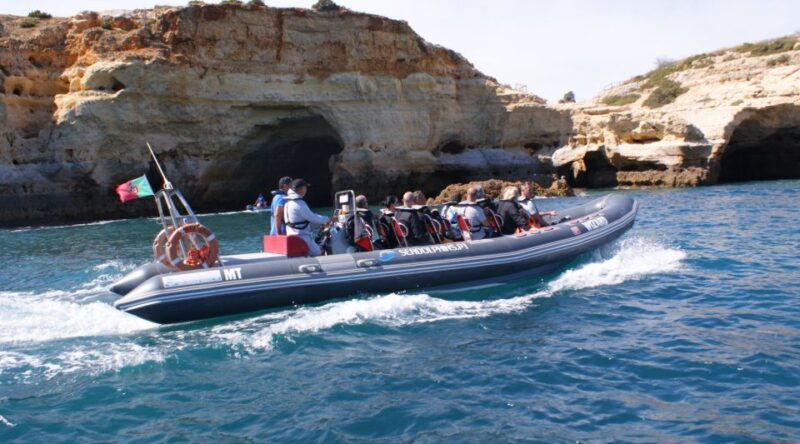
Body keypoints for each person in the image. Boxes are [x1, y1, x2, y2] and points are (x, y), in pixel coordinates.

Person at [284, 179, 331, 257]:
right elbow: (313, 217)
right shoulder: (299, 203)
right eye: (305, 187)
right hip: (302, 237)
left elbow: (298, 223)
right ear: (302, 189)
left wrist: (319, 224)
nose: (306, 190)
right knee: (319, 252)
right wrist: (328, 219)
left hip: (292, 236)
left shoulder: (288, 203)